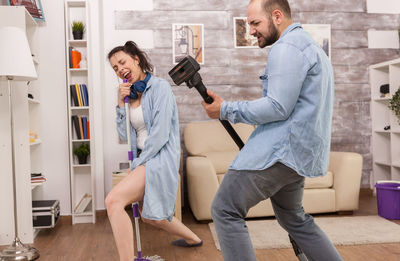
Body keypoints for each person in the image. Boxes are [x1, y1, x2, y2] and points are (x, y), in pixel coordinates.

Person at [201, 0, 343, 260]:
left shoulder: (287, 47)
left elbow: (277, 107)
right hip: (299, 155)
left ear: (277, 16)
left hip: (280, 152)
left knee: (225, 209)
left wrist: (225, 109)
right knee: (294, 218)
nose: (251, 31)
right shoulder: (313, 48)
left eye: (255, 23)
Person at [105, 41, 202, 261]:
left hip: (159, 158)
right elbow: (124, 135)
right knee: (151, 218)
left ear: (136, 59)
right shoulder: (129, 95)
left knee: (113, 201)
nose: (119, 69)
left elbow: (159, 136)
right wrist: (120, 103)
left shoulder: (160, 88)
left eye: (122, 62)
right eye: (115, 68)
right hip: (143, 159)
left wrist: (137, 165)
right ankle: (193, 239)